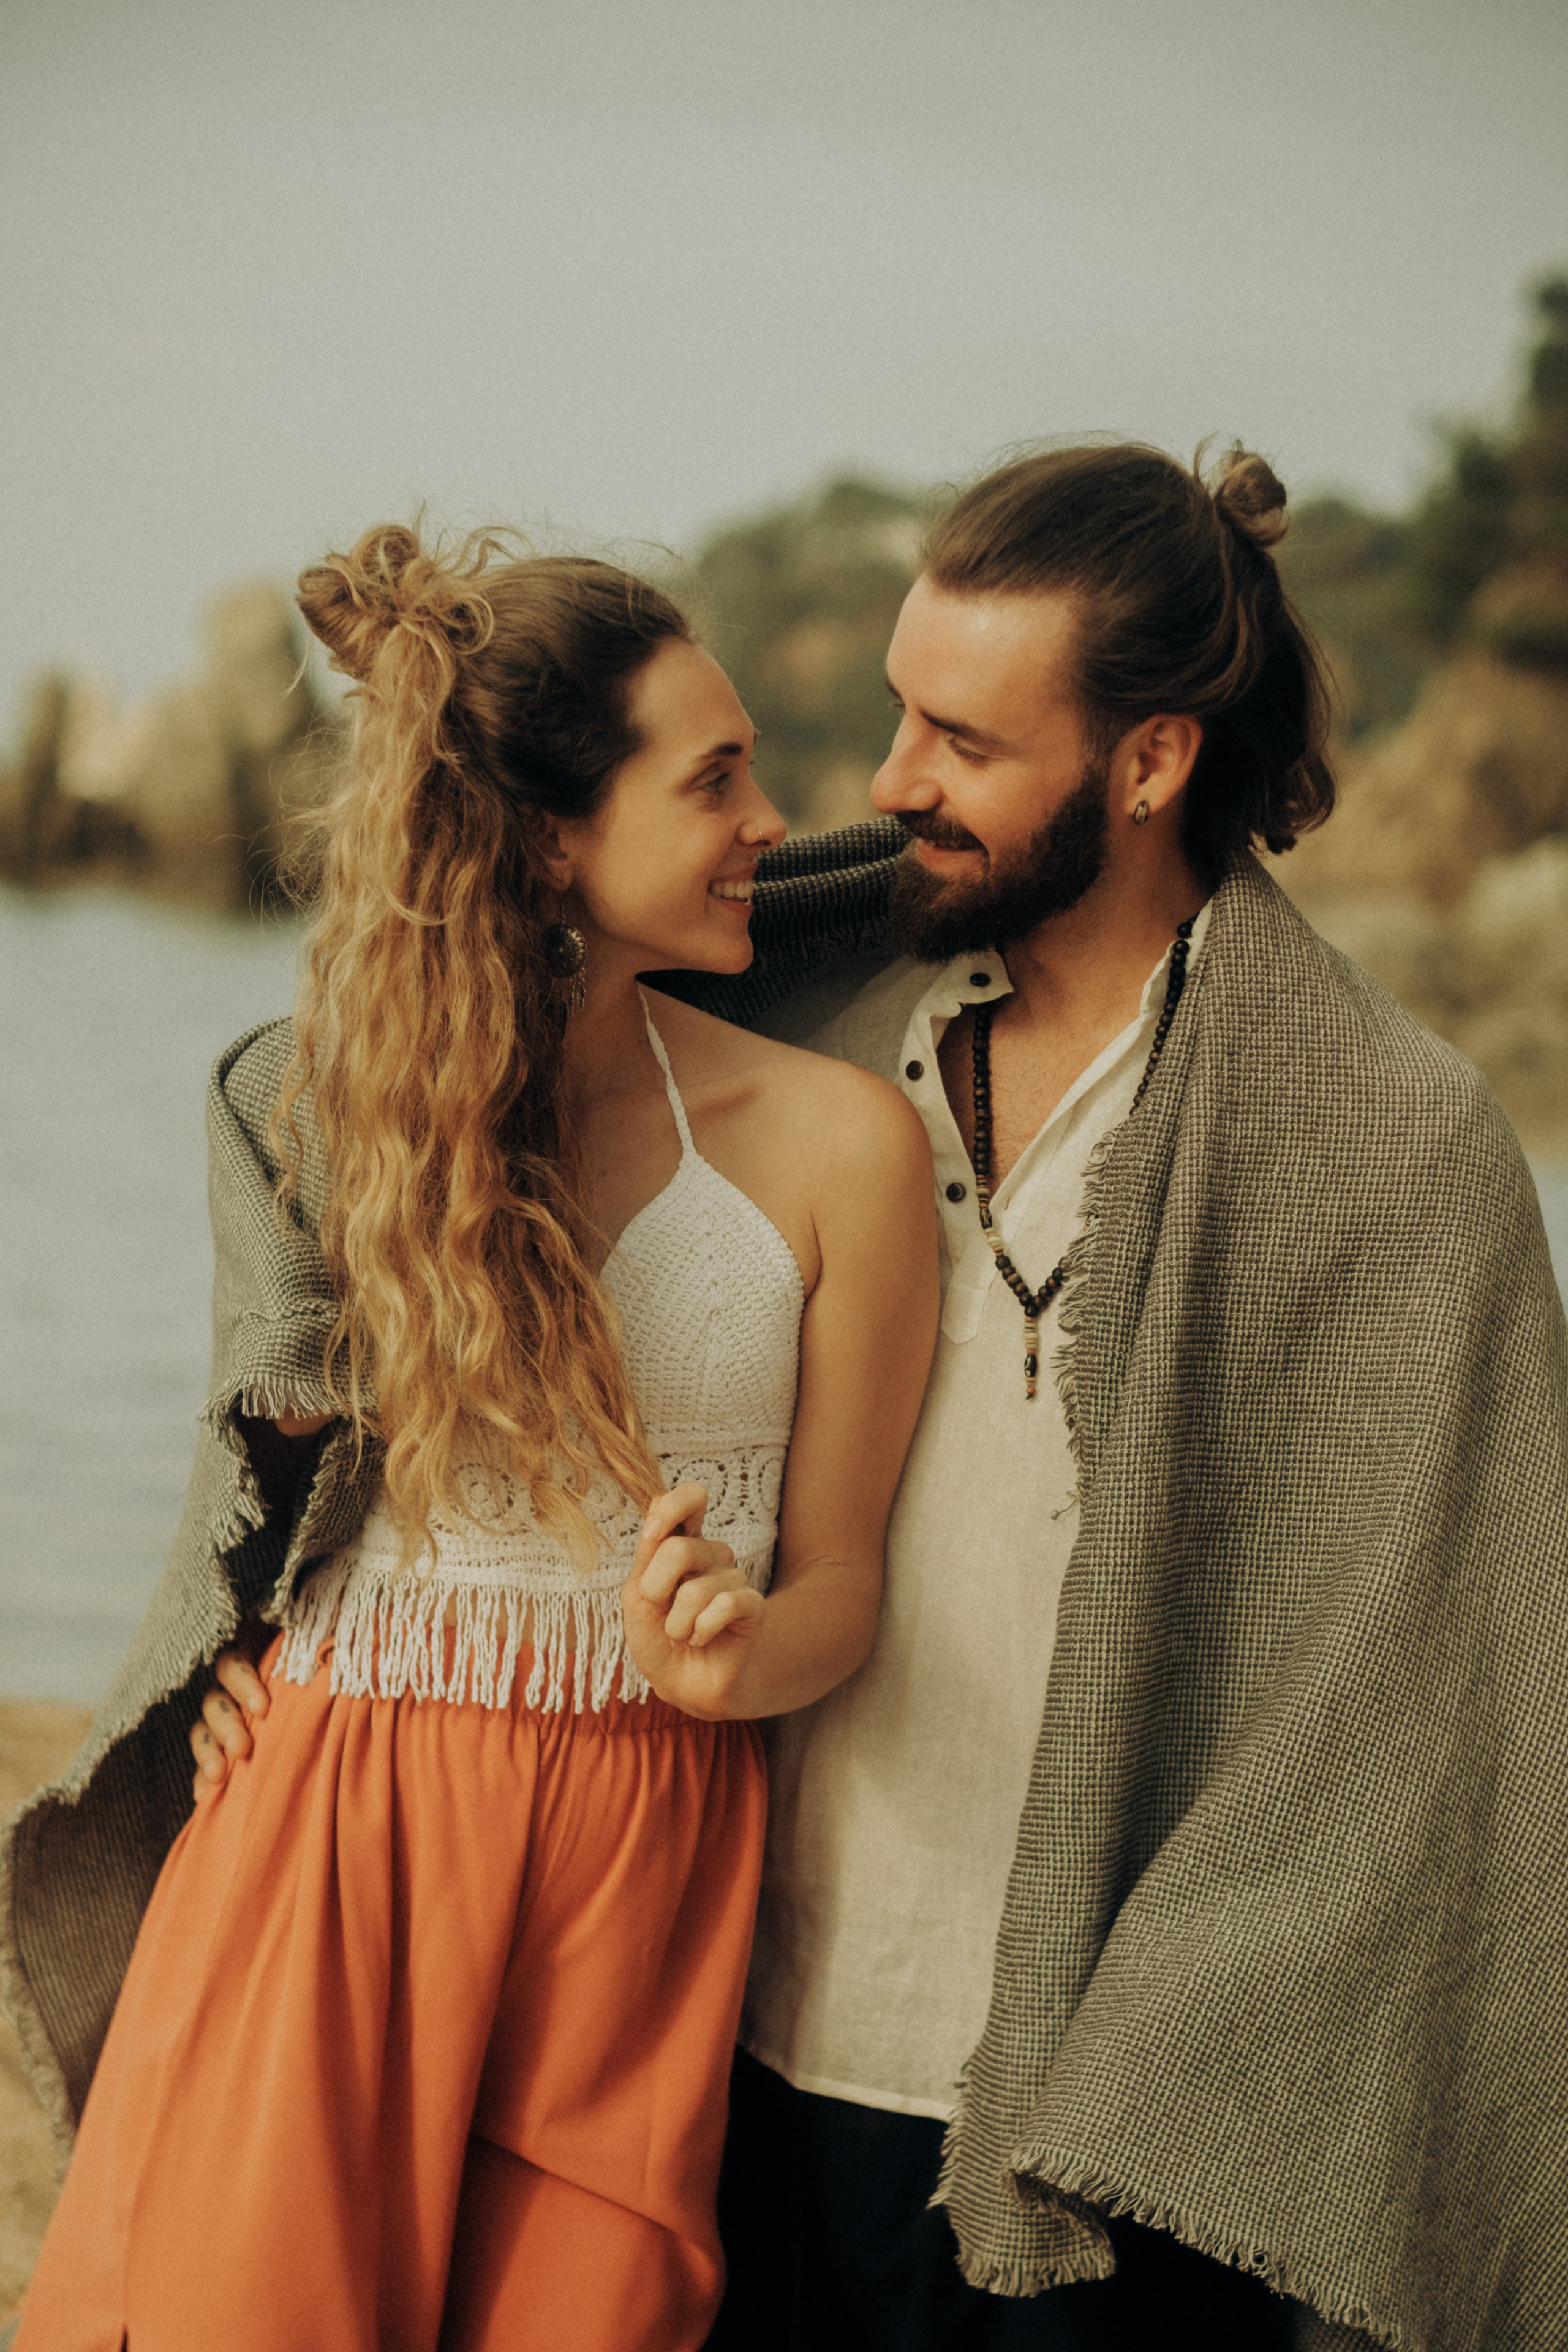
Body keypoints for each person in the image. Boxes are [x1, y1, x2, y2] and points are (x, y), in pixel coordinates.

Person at [9, 441, 1567, 2350]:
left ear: (1150, 763)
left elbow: (1438, 1701)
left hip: (1094, 2092)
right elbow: (363, 1191)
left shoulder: (1380, 1149)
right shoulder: (833, 991)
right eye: (896, 711)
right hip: (747, 2010)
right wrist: (238, 1644)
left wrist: (1197, 2036)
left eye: (962, 739)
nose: (887, 781)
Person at [6, 524, 938, 2351]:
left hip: (641, 1862)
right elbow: (255, 1516)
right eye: (716, 778)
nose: (767, 818)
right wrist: (229, 1669)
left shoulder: (844, 1147)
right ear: (545, 840)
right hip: (329, 1812)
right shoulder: (328, 1127)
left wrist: (741, 1661)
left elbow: (840, 1583)